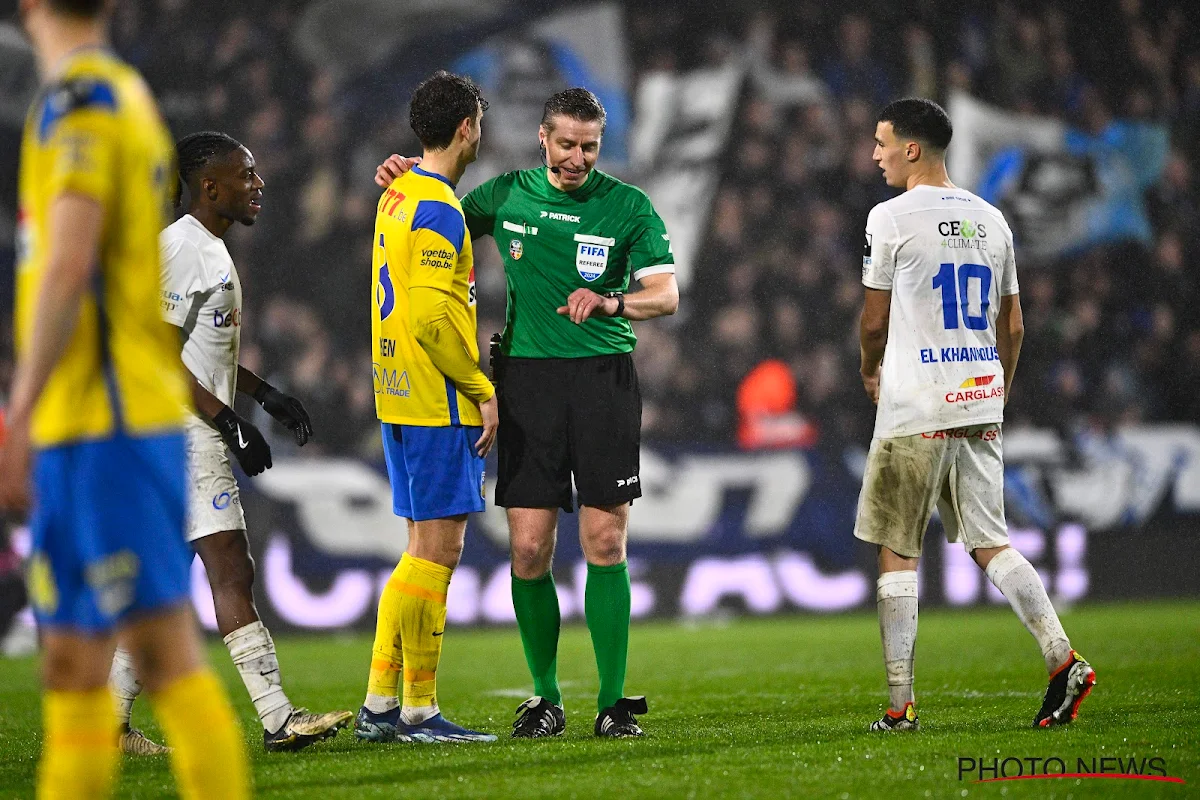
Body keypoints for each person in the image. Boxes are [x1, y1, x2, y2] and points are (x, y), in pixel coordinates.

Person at [0, 1, 250, 797]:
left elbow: (68, 266)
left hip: (105, 420)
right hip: (92, 419)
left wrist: (20, 409)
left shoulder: (84, 102)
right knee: (73, 664)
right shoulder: (113, 95)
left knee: (163, 653)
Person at [375, 86, 679, 738]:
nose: (577, 158)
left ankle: (613, 702)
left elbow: (666, 292)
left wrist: (612, 302)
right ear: (543, 138)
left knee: (605, 539)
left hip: (602, 381)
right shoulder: (505, 195)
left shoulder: (628, 207)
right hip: (527, 384)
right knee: (529, 548)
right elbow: (437, 213)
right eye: (566, 144)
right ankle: (544, 698)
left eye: (589, 147)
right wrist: (408, 176)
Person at [107, 130, 352, 755]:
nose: (258, 184)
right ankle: (278, 719)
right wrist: (226, 420)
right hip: (183, 435)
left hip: (177, 430)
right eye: (245, 175)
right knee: (232, 571)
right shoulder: (183, 248)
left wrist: (263, 394)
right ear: (209, 186)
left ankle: (106, 724)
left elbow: (199, 349)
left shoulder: (207, 247)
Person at [855, 97, 1095, 732]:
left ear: (912, 148)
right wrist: (1000, 387)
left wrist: (868, 367)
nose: (875, 155)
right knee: (991, 543)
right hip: (979, 395)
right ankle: (1061, 657)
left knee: (897, 549)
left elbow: (874, 318)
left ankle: (900, 706)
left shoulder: (891, 217)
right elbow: (1012, 322)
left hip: (916, 403)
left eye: (882, 143)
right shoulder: (992, 220)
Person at [353, 71, 499, 744]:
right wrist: (480, 387)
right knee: (437, 551)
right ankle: (416, 709)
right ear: (468, 127)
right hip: (436, 397)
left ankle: (384, 702)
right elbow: (434, 317)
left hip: (396, 393)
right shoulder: (437, 206)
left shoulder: (398, 195)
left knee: (420, 548)